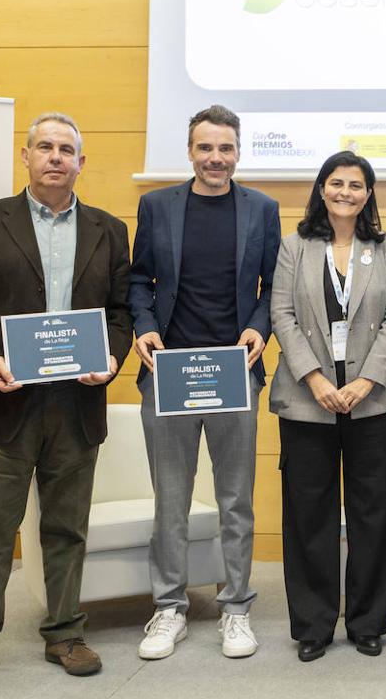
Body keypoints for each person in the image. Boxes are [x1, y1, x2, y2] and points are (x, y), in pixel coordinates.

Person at [0, 112, 132, 695]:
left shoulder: (108, 228)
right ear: (26, 156)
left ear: (80, 163)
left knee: (67, 528)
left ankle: (65, 632)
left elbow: (119, 315)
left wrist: (112, 357)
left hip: (75, 405)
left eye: (66, 149)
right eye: (44, 147)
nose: (54, 157)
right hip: (2, 403)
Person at [128, 105, 280, 660]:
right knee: (170, 497)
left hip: (235, 374)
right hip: (167, 374)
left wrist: (257, 328)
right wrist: (143, 330)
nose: (216, 158)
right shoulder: (157, 206)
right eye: (205, 148)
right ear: (190, 151)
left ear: (238, 152)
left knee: (235, 498)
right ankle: (169, 607)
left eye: (226, 148)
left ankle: (236, 607)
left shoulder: (262, 209)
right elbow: (139, 280)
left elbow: (272, 288)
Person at [269, 152, 386, 661]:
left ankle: (368, 622)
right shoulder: (295, 246)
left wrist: (367, 381)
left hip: (372, 402)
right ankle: (312, 624)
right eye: (336, 183)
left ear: (368, 193)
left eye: (356, 184)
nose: (345, 191)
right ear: (321, 189)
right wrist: (313, 378)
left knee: (373, 512)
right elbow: (281, 314)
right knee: (309, 512)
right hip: (308, 401)